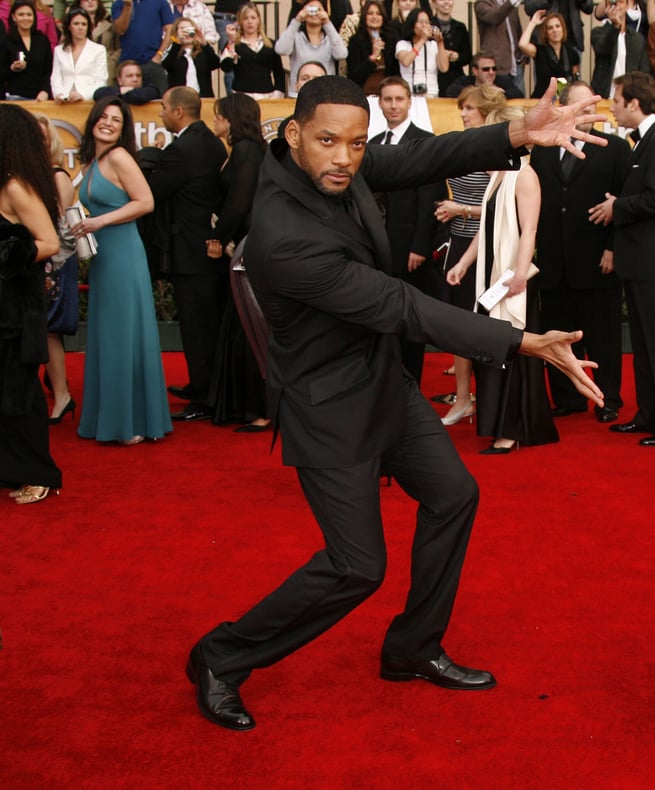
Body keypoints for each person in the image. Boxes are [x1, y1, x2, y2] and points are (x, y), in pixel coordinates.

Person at [185, 74, 606, 731]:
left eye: (356, 145)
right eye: (329, 142)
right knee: (356, 566)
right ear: (294, 135)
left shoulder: (334, 160)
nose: (346, 159)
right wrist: (519, 340)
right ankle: (220, 655)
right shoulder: (283, 233)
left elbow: (417, 158)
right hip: (328, 404)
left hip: (381, 380)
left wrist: (518, 132)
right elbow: (399, 305)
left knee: (454, 494)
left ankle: (413, 647)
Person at [445, 105, 558, 454]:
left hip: (513, 278)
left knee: (512, 349)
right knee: (494, 348)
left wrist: (520, 274)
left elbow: (530, 231)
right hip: (491, 277)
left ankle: (513, 428)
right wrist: (463, 263)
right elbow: (485, 229)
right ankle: (501, 425)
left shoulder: (525, 176)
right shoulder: (499, 175)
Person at [590, 71, 655, 447]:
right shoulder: (646, 142)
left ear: (633, 103)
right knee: (644, 346)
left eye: (615, 101)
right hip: (642, 262)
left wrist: (617, 206)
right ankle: (649, 414)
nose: (611, 107)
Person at [73, 96, 172, 446]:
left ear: (123, 128)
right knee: (107, 336)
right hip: (103, 258)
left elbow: (145, 202)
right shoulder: (90, 163)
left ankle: (132, 421)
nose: (109, 123)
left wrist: (100, 220)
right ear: (93, 120)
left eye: (116, 119)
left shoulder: (118, 157)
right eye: (104, 116)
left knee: (123, 334)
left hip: (123, 254)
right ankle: (111, 418)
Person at [533, 80, 628, 423]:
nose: (586, 114)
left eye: (590, 108)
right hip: (554, 263)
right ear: (562, 108)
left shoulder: (616, 148)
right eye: (580, 107)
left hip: (596, 262)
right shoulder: (542, 149)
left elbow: (625, 203)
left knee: (603, 336)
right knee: (558, 335)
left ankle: (608, 400)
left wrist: (613, 248)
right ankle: (567, 399)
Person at [145, 87, 227, 424]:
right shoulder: (209, 141)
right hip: (203, 249)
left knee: (196, 326)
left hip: (191, 253)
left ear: (179, 112)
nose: (160, 113)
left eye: (163, 108)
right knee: (205, 323)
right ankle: (202, 387)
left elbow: (153, 190)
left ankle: (203, 396)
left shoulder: (183, 148)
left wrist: (152, 157)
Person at [0, 104, 61, 505]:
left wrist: (10, 255)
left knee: (19, 392)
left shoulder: (16, 187)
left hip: (15, 312)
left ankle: (39, 473)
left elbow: (50, 242)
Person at [432, 85, 502, 426]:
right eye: (462, 108)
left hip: (486, 247)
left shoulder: (494, 150)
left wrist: (461, 209)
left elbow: (500, 207)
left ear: (486, 112)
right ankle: (463, 399)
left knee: (481, 324)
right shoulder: (461, 145)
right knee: (459, 326)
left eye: (469, 109)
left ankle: (487, 401)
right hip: (458, 245)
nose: (462, 114)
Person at [368, 76, 445, 384]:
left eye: (399, 99)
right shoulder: (373, 144)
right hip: (378, 251)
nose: (394, 105)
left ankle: (410, 382)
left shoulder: (425, 141)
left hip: (410, 250)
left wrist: (420, 247)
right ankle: (387, 378)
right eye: (388, 99)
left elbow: (430, 200)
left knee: (411, 320)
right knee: (383, 318)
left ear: (409, 102)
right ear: (380, 103)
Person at [205, 93, 270, 432]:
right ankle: (249, 406)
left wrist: (218, 236)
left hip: (248, 250)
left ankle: (260, 410)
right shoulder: (247, 150)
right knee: (244, 324)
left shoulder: (246, 152)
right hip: (246, 246)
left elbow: (240, 203)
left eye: (218, 116)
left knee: (249, 326)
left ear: (231, 118)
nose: (214, 122)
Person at [34, 114, 79, 426]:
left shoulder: (58, 176)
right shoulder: (29, 176)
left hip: (56, 261)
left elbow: (53, 223)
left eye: (43, 136)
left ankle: (62, 395)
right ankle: (56, 387)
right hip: (38, 260)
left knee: (49, 329)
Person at [276, 0, 347, 97]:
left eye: (318, 10)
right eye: (310, 9)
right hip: (299, 94)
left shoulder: (330, 38)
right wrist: (297, 20)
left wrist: (327, 23)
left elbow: (342, 54)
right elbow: (281, 49)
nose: (314, 13)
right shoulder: (296, 37)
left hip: (326, 93)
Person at [219, 2, 287, 99]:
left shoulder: (270, 44)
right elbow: (225, 67)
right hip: (241, 96)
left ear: (258, 20)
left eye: (253, 18)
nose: (249, 21)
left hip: (267, 96)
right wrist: (232, 41)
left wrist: (278, 94)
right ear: (240, 22)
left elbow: (279, 72)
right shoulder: (235, 44)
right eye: (245, 18)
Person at [111, 0, 176, 94]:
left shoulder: (160, 2)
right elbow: (120, 30)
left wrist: (159, 55)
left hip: (153, 63)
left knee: (159, 100)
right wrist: (128, 6)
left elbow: (170, 30)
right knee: (127, 100)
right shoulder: (119, 4)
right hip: (127, 63)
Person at [590, 0, 651, 99]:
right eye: (613, 2)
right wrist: (615, 26)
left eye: (620, 2)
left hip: (629, 99)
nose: (616, 6)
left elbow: (644, 72)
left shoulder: (637, 39)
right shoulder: (598, 32)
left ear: (627, 6)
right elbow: (603, 48)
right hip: (604, 96)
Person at [50, 7, 109, 104]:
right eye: (76, 24)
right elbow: (56, 78)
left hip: (88, 101)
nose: (80, 27)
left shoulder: (99, 50)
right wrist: (60, 94)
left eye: (84, 24)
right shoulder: (59, 50)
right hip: (64, 101)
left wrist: (82, 95)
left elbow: (101, 81)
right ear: (69, 27)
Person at [519, 10, 580, 98]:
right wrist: (533, 22)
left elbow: (575, 80)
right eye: (550, 28)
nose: (554, 30)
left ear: (563, 28)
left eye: (557, 26)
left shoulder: (572, 53)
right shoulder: (539, 50)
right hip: (541, 99)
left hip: (562, 100)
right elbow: (522, 44)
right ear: (546, 32)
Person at [3, 0, 53, 101]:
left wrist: (45, 91)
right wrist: (12, 69)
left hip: (39, 98)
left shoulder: (42, 40)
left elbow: (49, 71)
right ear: (14, 17)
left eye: (29, 14)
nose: (25, 18)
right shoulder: (5, 41)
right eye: (21, 15)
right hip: (14, 97)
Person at [395, 7, 449, 98]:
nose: (424, 25)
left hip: (431, 93)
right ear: (412, 24)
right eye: (420, 22)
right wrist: (423, 39)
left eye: (427, 22)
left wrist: (440, 42)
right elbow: (406, 61)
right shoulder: (403, 44)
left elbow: (444, 68)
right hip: (409, 94)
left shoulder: (433, 45)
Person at [476, 0, 526, 96]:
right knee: (500, 102)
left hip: (516, 64)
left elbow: (518, 30)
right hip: (498, 66)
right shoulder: (481, 4)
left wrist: (523, 56)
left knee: (520, 102)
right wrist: (511, 3)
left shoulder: (510, 5)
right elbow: (494, 17)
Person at [345, 0, 395, 95]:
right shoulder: (355, 41)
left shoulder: (391, 39)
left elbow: (395, 72)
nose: (374, 17)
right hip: (363, 91)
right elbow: (353, 75)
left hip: (387, 91)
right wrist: (373, 57)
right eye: (370, 13)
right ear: (364, 17)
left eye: (378, 14)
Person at [163, 15, 220, 97]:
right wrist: (177, 43)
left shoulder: (203, 53)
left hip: (202, 99)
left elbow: (216, 63)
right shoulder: (173, 52)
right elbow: (167, 65)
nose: (186, 32)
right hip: (179, 100)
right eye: (182, 29)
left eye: (189, 29)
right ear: (176, 32)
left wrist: (204, 43)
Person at [443, 49, 524, 98]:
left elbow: (518, 94)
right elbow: (451, 91)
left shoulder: (502, 81)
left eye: (494, 68)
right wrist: (483, 92)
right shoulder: (465, 81)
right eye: (486, 69)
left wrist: (501, 94)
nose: (491, 72)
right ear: (475, 71)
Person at [432, 0, 471, 98]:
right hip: (435, 77)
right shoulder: (429, 26)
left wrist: (457, 56)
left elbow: (467, 56)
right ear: (434, 3)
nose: (446, 2)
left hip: (455, 78)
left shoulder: (460, 27)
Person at [93, 59, 161, 103]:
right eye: (130, 76)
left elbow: (141, 97)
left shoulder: (151, 90)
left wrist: (125, 93)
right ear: (120, 80)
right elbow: (97, 94)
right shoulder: (112, 91)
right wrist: (120, 91)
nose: (135, 79)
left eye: (138, 75)